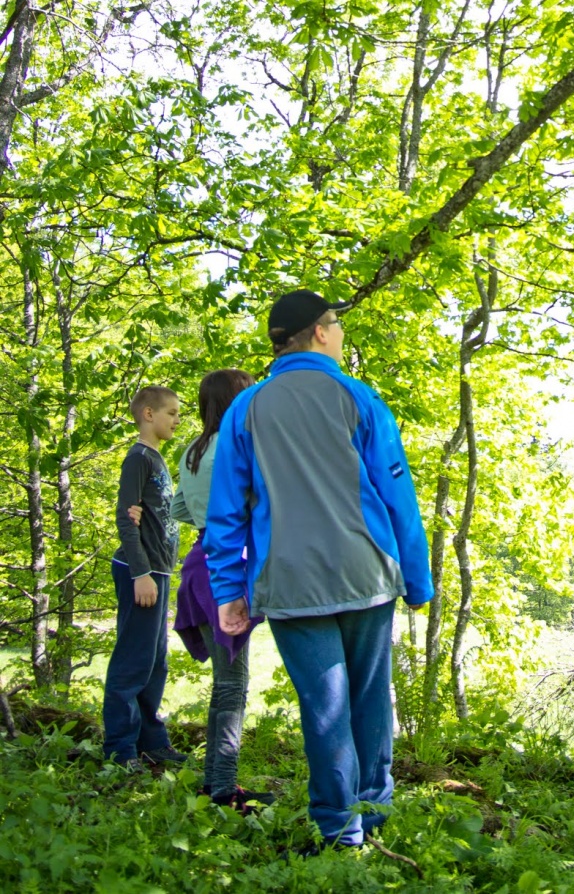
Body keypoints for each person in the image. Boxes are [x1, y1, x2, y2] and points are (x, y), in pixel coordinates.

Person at [204, 290, 434, 850]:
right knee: (369, 699)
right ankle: (372, 814)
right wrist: (417, 575)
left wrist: (228, 590)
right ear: (320, 333)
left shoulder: (247, 408)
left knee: (324, 708)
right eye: (336, 322)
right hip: (365, 574)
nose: (340, 331)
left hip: (288, 583)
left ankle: (340, 831)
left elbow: (226, 511)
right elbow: (397, 493)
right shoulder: (358, 397)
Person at [171, 368, 270, 811]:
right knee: (232, 685)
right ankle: (225, 789)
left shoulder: (191, 449)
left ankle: (215, 783)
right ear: (237, 400)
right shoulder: (239, 448)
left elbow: (178, 508)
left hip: (198, 564)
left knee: (223, 683)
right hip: (228, 569)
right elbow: (257, 504)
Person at [102, 384, 186, 768]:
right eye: (171, 413)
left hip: (159, 570)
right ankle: (120, 749)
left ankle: (152, 741)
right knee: (133, 661)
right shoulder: (138, 458)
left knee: (155, 662)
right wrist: (141, 573)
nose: (177, 420)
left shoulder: (158, 459)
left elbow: (157, 513)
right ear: (149, 414)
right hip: (142, 571)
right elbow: (126, 515)